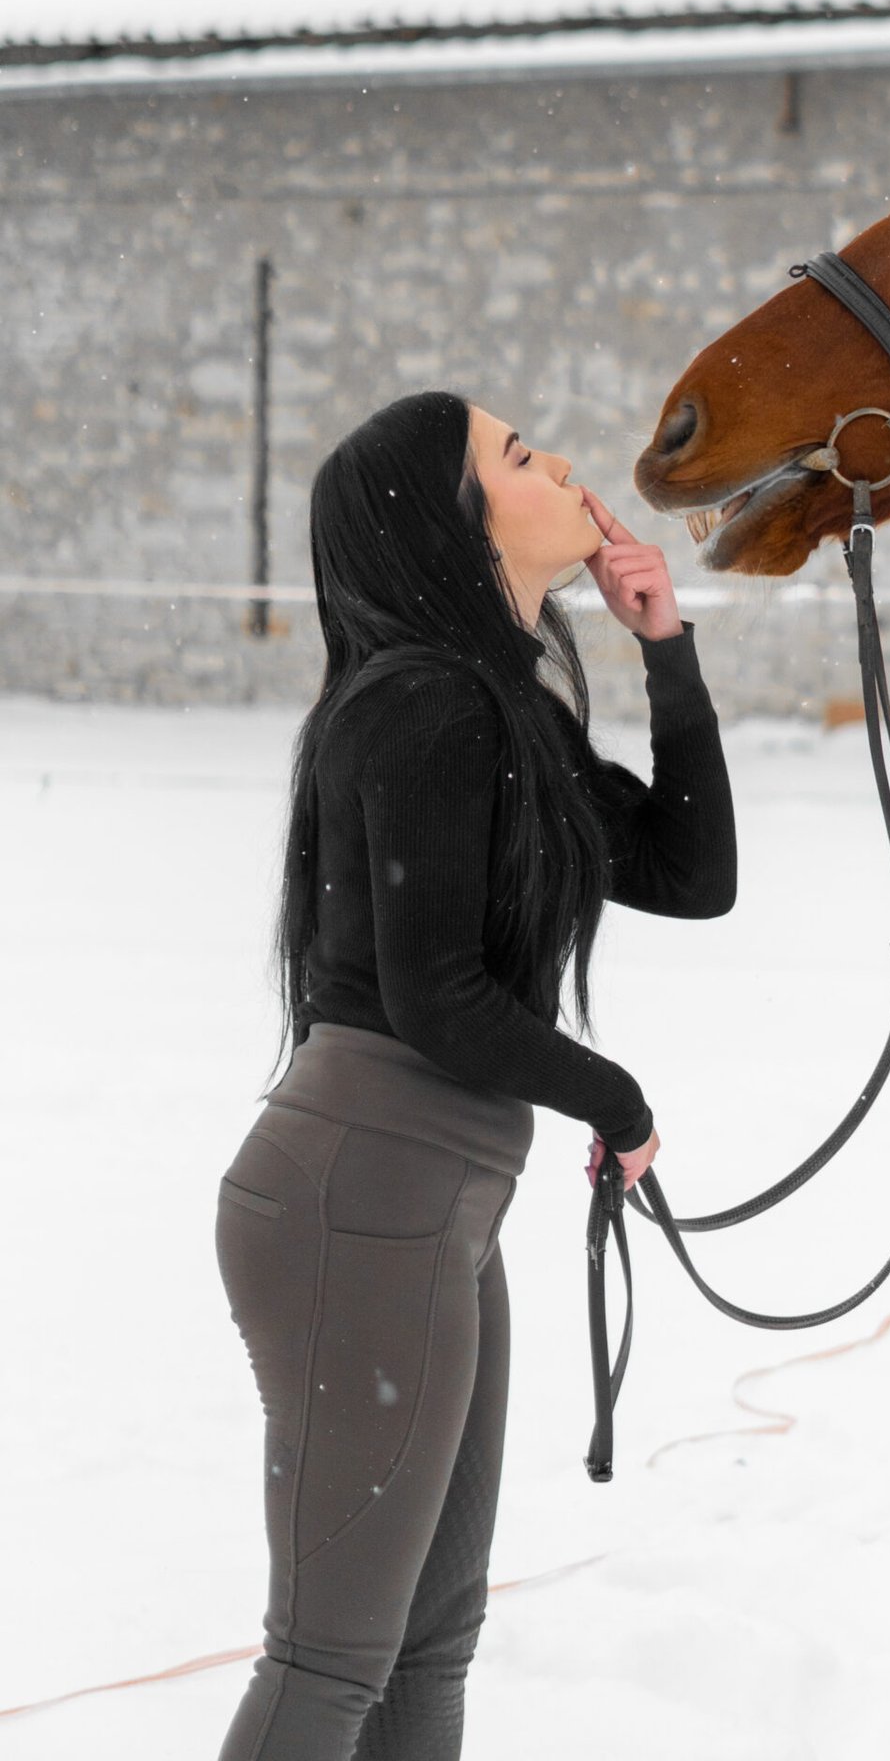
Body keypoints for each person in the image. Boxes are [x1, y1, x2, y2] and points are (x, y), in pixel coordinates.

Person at [212, 388, 736, 1759]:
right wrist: (615, 1100)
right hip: (364, 1193)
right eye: (514, 453)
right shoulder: (425, 707)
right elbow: (437, 995)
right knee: (331, 1661)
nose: (558, 461)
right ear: (450, 523)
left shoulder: (505, 715)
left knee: (426, 1647)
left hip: (428, 1199)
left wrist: (664, 651)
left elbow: (692, 874)